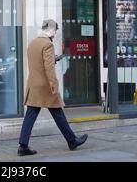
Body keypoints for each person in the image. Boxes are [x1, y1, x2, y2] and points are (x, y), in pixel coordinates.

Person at [18, 19, 88, 156]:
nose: (55, 33)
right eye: (55, 30)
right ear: (49, 29)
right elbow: (48, 68)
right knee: (58, 113)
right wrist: (54, 84)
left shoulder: (32, 43)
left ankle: (23, 145)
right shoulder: (47, 45)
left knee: (31, 115)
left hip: (33, 85)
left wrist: (53, 58)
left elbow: (38, 63)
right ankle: (72, 140)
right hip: (45, 86)